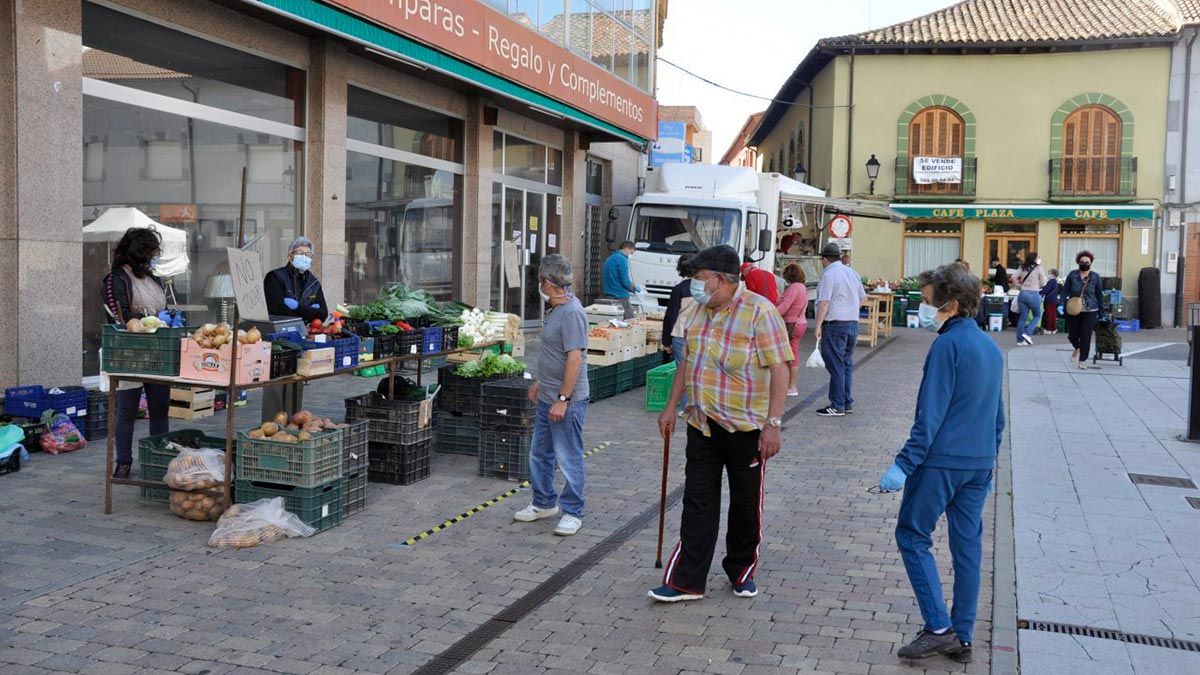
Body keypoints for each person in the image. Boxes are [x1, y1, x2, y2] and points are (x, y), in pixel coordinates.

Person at [649, 245, 792, 603]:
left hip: (747, 429)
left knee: (745, 504)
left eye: (698, 279)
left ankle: (741, 570)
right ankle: (686, 581)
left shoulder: (760, 312)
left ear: (720, 280)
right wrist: (670, 407)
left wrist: (773, 424)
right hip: (702, 422)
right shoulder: (696, 311)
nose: (694, 286)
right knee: (697, 501)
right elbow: (687, 362)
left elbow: (780, 368)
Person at [878, 263, 1004, 665]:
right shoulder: (989, 346)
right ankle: (962, 638)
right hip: (978, 461)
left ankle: (938, 628)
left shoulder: (946, 346)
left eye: (928, 301)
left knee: (912, 535)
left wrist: (903, 465)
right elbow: (997, 415)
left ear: (950, 305)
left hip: (941, 463)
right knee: (967, 549)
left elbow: (928, 417)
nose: (923, 307)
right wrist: (988, 454)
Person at [514, 254, 590, 536]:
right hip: (547, 394)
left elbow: (574, 359)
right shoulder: (556, 309)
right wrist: (540, 382)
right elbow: (553, 354)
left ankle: (573, 511)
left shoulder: (571, 313)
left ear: (546, 282)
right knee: (540, 453)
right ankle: (544, 502)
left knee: (568, 456)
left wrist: (563, 399)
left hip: (566, 401)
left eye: (539, 279)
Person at [102, 228, 171, 480]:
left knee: (160, 407)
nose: (154, 257)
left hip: (159, 353)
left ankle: (157, 458)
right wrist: (147, 320)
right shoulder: (116, 279)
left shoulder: (155, 279)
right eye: (151, 252)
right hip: (129, 352)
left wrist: (169, 318)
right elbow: (119, 313)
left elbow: (165, 306)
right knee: (127, 410)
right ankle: (123, 462)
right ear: (140, 253)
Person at [262, 237, 328, 421]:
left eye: (308, 254)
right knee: (275, 385)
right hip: (277, 339)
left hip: (299, 339)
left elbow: (322, 314)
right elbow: (276, 307)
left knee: (296, 383)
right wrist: (308, 311)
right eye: (300, 253)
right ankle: (271, 426)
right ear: (290, 255)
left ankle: (291, 425)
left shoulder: (313, 282)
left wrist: (297, 307)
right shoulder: (275, 277)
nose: (304, 257)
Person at [814, 242, 866, 417]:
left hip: (835, 325)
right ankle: (846, 401)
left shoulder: (829, 274)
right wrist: (850, 309)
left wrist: (818, 325)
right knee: (846, 365)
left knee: (836, 365)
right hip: (852, 323)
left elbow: (824, 302)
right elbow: (863, 299)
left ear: (825, 259)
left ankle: (837, 405)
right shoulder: (852, 272)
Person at [662, 254, 696, 412]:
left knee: (681, 372)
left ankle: (684, 407)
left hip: (680, 334)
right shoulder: (706, 289)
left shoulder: (679, 289)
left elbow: (671, 316)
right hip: (699, 336)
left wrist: (666, 341)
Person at [1062, 250, 1107, 369]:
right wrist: (1061, 304)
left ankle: (1082, 360)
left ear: (1091, 263)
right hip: (1074, 309)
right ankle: (1077, 347)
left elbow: (1099, 295)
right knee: (1072, 335)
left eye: (1087, 261)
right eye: (1082, 261)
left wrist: (1102, 313)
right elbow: (1065, 291)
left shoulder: (1095, 277)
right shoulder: (1072, 275)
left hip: (1091, 310)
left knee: (1086, 335)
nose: (1084, 263)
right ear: (1078, 262)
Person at [775, 263, 809, 396]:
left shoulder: (794, 287)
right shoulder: (802, 287)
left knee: (790, 356)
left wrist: (770, 313)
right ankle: (791, 385)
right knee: (793, 354)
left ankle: (791, 386)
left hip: (791, 324)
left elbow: (785, 305)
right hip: (801, 322)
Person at [1014, 253, 1047, 346]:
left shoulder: (1022, 267)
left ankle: (1020, 341)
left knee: (1022, 318)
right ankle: (1028, 333)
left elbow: (1013, 277)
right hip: (1033, 293)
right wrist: (1038, 285)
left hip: (1023, 293)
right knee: (1037, 315)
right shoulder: (1039, 268)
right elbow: (1043, 282)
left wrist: (1019, 286)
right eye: (1038, 258)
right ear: (1035, 259)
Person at [602, 241, 640, 319]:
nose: (631, 255)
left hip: (609, 295)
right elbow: (625, 281)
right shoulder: (622, 259)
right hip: (620, 296)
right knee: (629, 321)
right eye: (631, 253)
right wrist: (635, 288)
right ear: (626, 248)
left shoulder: (609, 258)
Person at [1041, 268, 1061, 334]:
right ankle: (1053, 329)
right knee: (1053, 315)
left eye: (1049, 273)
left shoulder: (1050, 281)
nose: (1048, 275)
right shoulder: (1056, 282)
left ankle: (1048, 329)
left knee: (1048, 315)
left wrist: (1040, 292)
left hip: (1049, 300)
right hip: (1054, 301)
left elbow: (1046, 290)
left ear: (1053, 274)